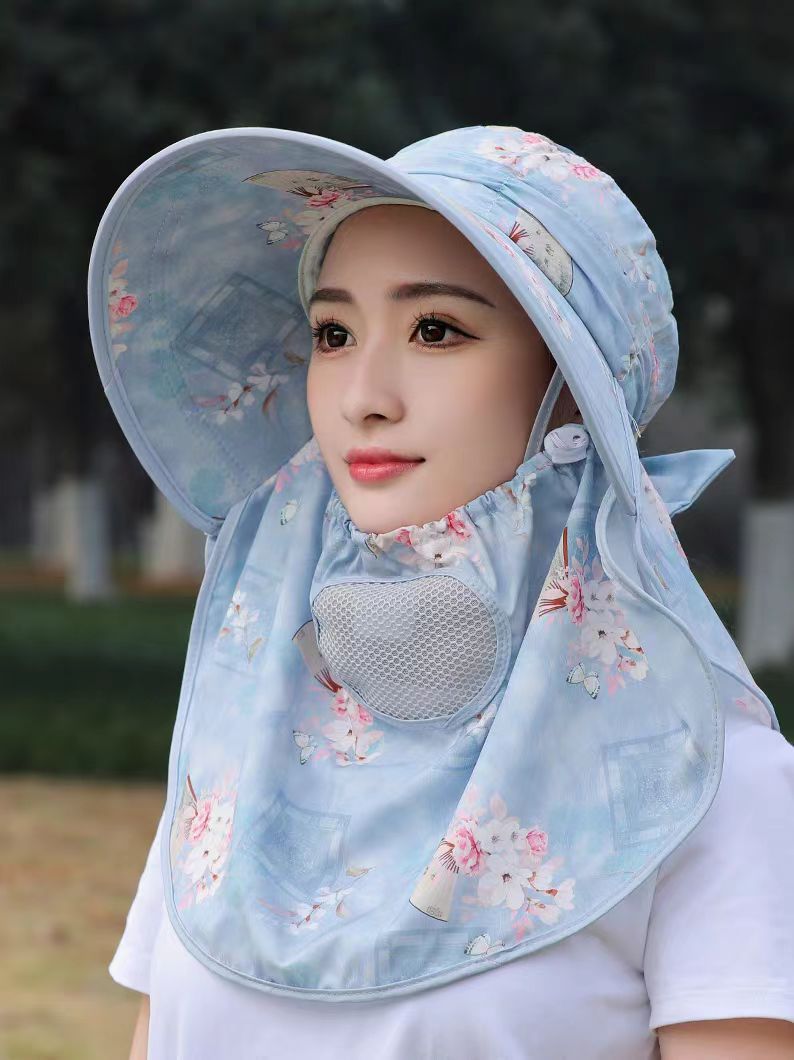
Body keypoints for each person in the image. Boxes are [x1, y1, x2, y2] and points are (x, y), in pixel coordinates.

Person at [87, 125, 794, 1058]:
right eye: (334, 334)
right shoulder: (242, 730)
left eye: (436, 330)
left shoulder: (706, 782)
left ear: (574, 387)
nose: (363, 396)